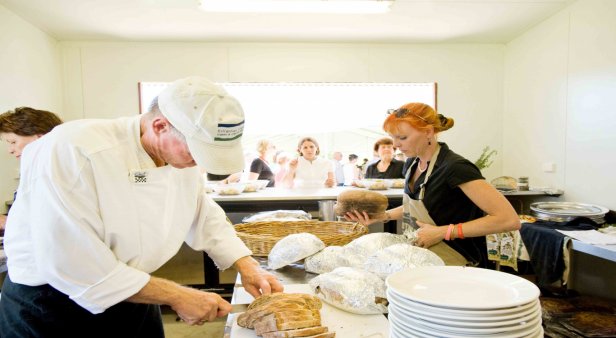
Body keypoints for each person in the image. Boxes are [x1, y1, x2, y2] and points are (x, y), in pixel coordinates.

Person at [0, 77, 283, 337]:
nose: (199, 162)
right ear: (159, 126)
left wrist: (246, 265)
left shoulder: (176, 154)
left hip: (136, 292)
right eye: (195, 152)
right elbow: (71, 260)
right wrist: (178, 295)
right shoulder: (73, 150)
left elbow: (202, 212)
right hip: (53, 306)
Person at [346, 103, 519, 267]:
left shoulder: (455, 167)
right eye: (393, 138)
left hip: (457, 262)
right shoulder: (412, 163)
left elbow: (508, 219)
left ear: (428, 132)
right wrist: (384, 216)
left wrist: (443, 232)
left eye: (402, 138)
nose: (396, 145)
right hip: (424, 255)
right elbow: (417, 208)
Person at [0, 107, 63, 230]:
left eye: (13, 142)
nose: (10, 150)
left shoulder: (53, 173)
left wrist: (8, 223)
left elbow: (51, 224)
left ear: (40, 138)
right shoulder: (39, 170)